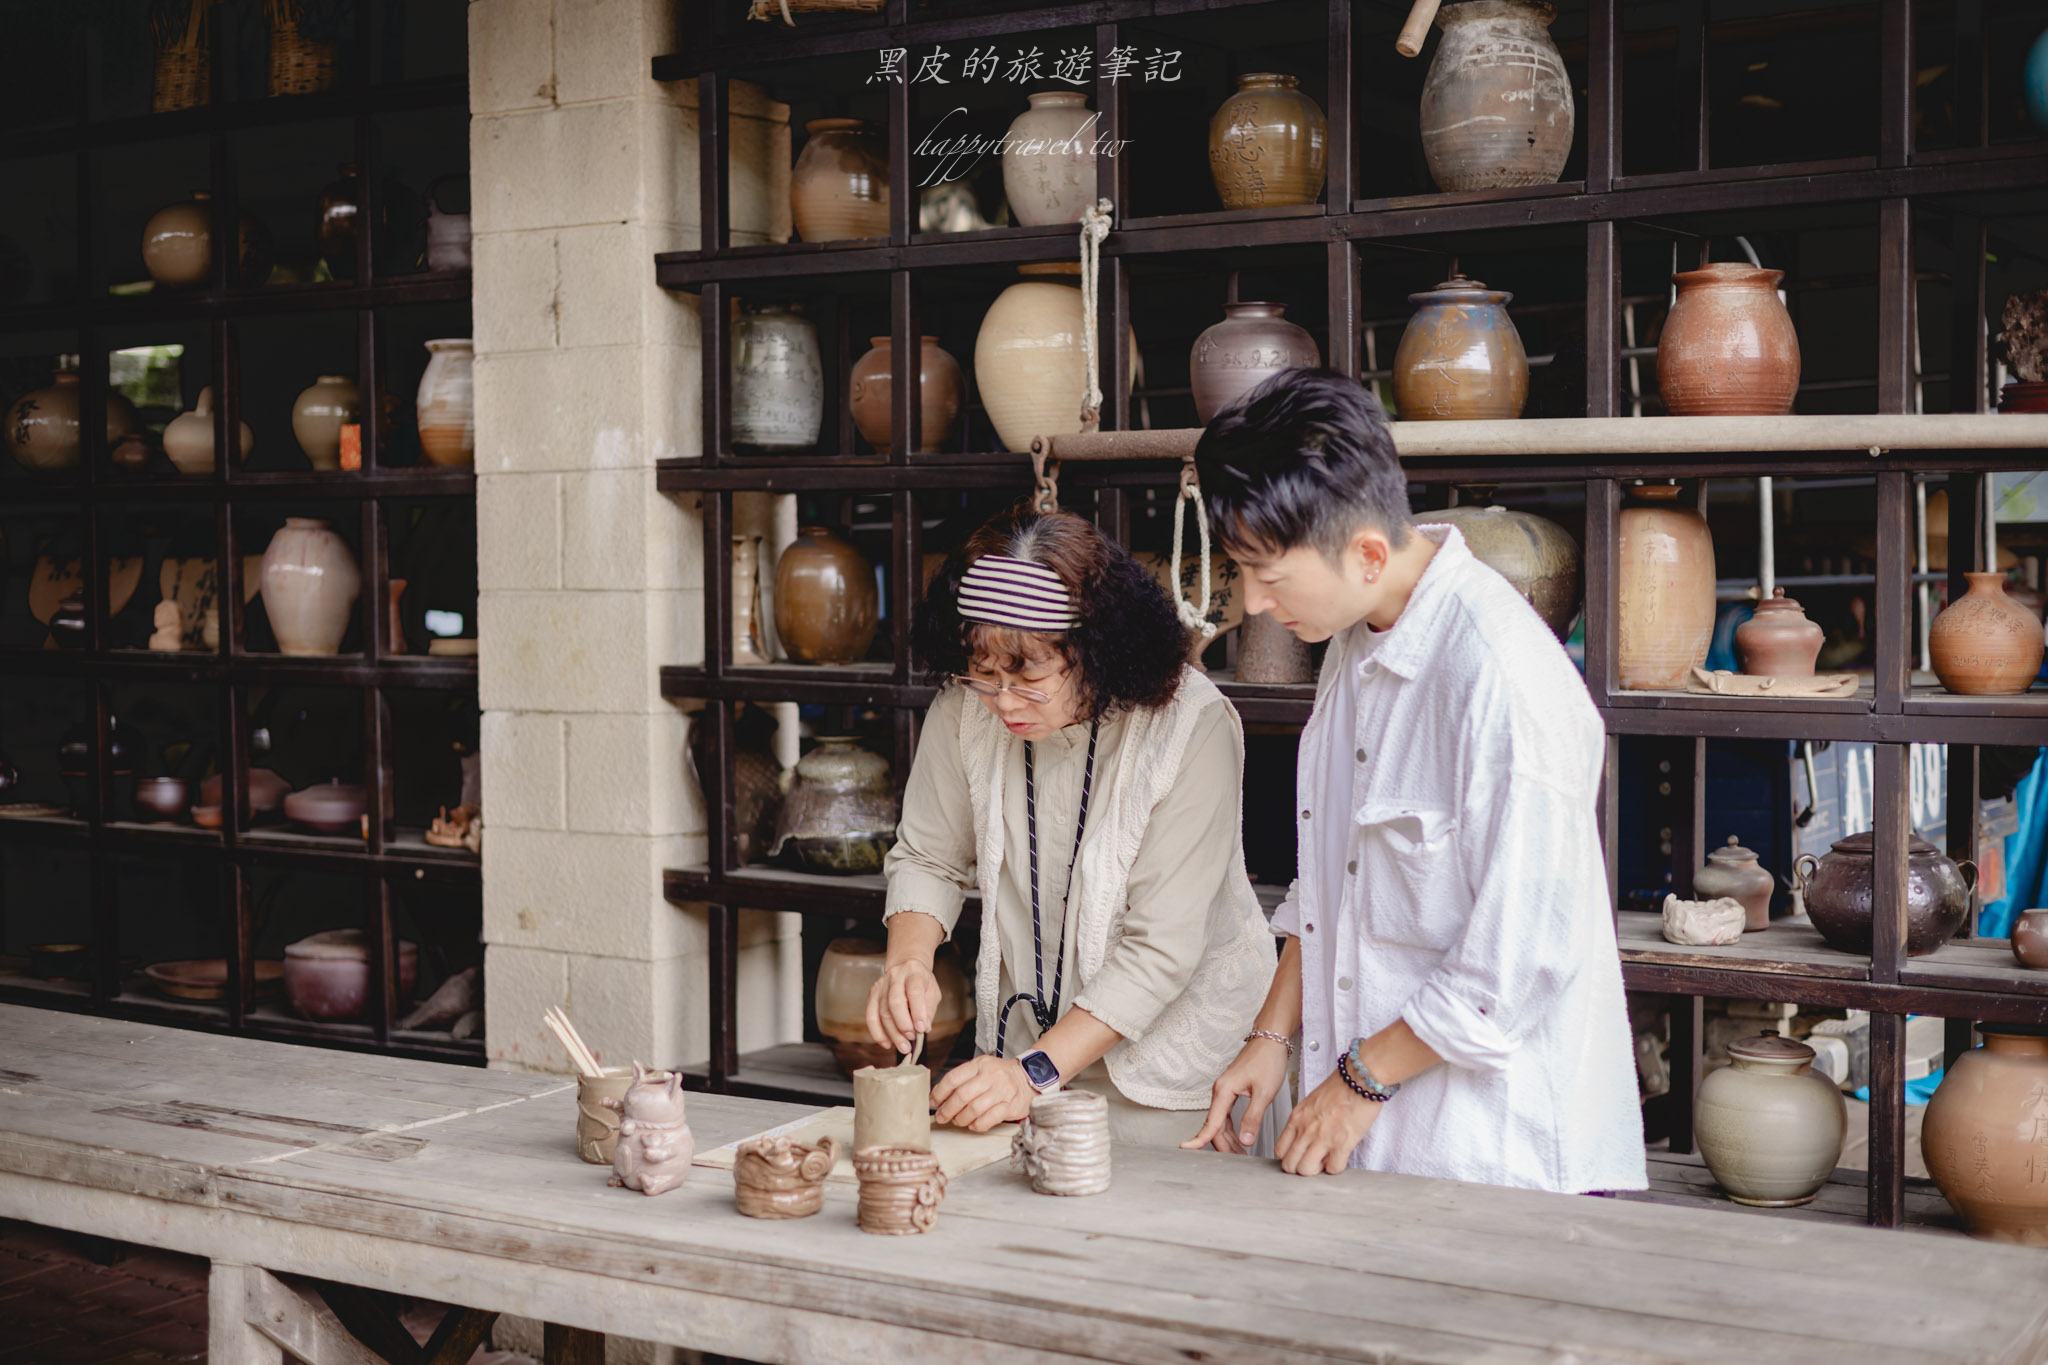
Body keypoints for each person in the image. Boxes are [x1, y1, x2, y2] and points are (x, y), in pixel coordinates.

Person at [1182, 369, 1646, 1193]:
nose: (1251, 603)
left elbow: (1520, 958)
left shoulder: (1501, 676)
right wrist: (1271, 1036)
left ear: (1365, 552)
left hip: (1496, 1156)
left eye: (1269, 574)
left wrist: (1359, 1081)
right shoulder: (1356, 637)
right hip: (1376, 1135)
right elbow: (1333, 878)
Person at [869, 506, 1274, 1146]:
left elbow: (1160, 949)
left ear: (1095, 649)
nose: (1002, 700)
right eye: (984, 674)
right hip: (1017, 1062)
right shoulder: (966, 704)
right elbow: (929, 856)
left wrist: (1031, 1074)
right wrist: (908, 961)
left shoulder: (1189, 728)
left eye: (1029, 674)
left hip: (1164, 1082)